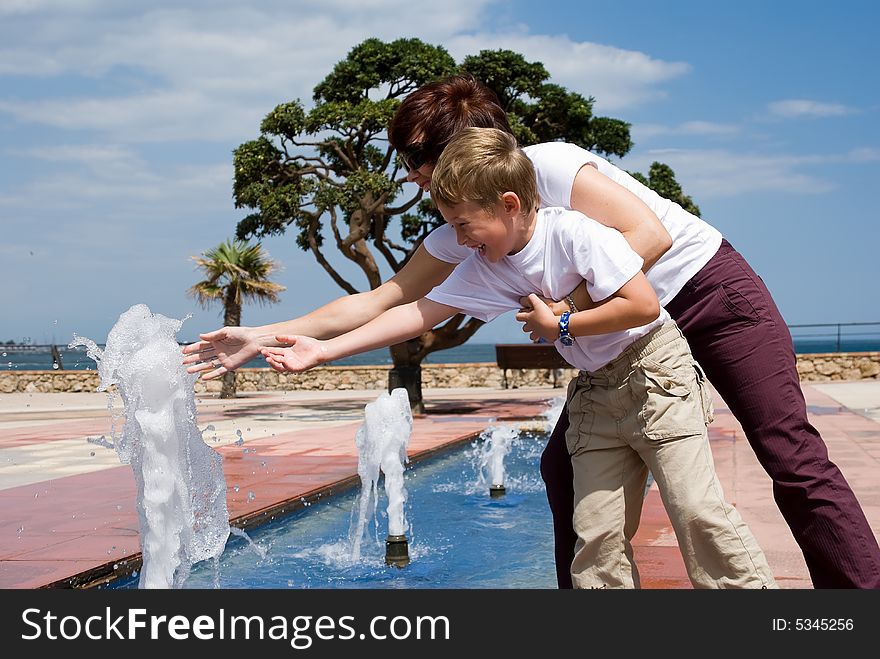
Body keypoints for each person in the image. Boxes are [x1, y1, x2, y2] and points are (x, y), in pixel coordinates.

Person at [184, 74, 880, 589]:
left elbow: (651, 234)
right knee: (563, 467)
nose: (412, 176)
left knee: (789, 453)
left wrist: (566, 312)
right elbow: (396, 297)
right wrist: (270, 334)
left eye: (418, 160)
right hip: (620, 345)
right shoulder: (468, 226)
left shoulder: (544, 167)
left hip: (705, 295)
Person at [259, 127, 778, 588]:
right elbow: (420, 312)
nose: (458, 240)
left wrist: (564, 323)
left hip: (654, 373)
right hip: (596, 390)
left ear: (509, 203)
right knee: (595, 536)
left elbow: (641, 304)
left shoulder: (576, 232)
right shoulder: (488, 265)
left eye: (464, 225)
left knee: (695, 512)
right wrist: (323, 350)